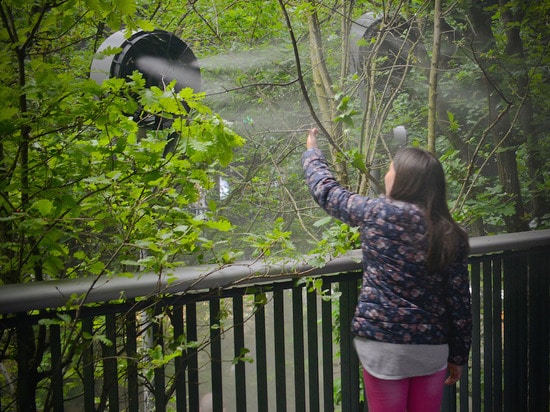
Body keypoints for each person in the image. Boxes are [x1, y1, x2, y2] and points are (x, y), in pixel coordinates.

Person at [302, 128, 471, 412]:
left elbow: (327, 192)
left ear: (404, 179)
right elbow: (459, 301)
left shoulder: (374, 212)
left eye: (391, 168)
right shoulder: (450, 233)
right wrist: (458, 355)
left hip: (383, 347)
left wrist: (312, 152)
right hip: (431, 348)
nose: (386, 174)